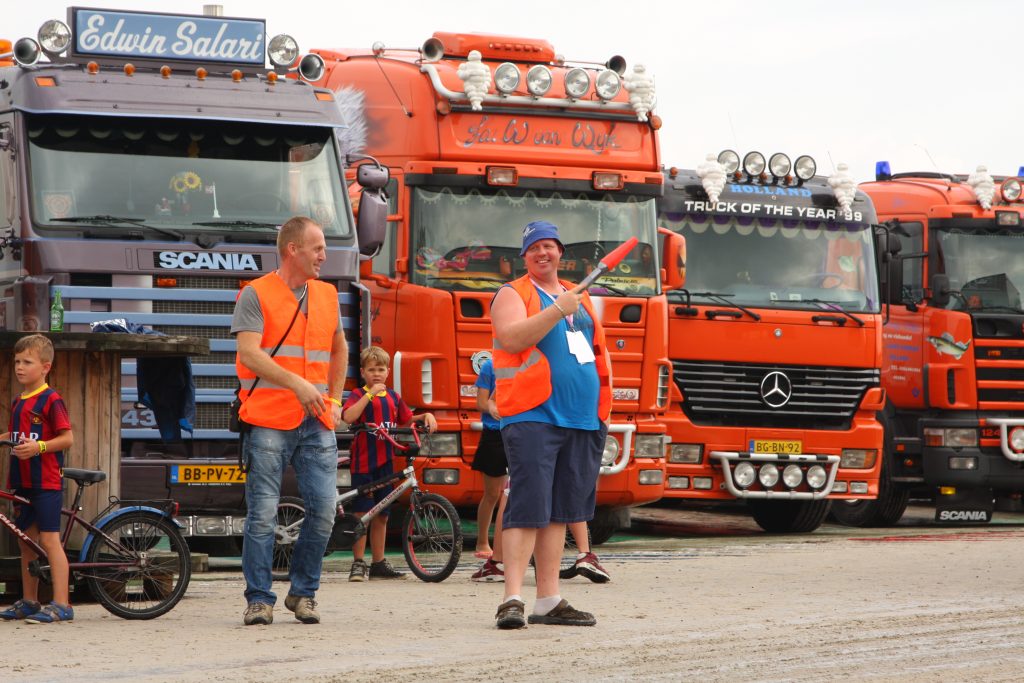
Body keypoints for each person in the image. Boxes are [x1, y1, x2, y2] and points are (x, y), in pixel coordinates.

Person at [489, 220, 612, 629]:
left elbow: (594, 352)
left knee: (560, 512)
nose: (543, 253)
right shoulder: (513, 293)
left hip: (581, 419)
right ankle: (512, 598)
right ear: (524, 256)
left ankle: (547, 599)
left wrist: (602, 410)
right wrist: (557, 309)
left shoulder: (581, 297)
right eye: (534, 248)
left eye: (550, 246)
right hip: (533, 415)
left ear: (561, 252)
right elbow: (510, 339)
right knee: (527, 507)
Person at [232, 216, 346, 626]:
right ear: (292, 249)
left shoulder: (327, 294)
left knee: (324, 511)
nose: (324, 255)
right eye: (317, 248)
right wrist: (298, 384)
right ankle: (259, 599)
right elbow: (249, 353)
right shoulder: (255, 293)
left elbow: (338, 348)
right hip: (267, 419)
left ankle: (302, 593)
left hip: (317, 420)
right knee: (262, 514)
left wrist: (334, 398)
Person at [343, 346, 437, 582]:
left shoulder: (394, 397)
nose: (376, 374)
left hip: (387, 461)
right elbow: (349, 417)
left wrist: (426, 415)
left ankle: (378, 562)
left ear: (387, 373)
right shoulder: (358, 394)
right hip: (364, 462)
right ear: (363, 372)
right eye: (371, 369)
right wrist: (369, 394)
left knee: (382, 514)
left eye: (381, 369)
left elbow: (405, 421)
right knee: (362, 513)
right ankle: (358, 563)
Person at [0, 334, 75, 623]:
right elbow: (14, 436)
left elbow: (67, 438)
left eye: (27, 362)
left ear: (45, 367)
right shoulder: (19, 401)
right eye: (17, 361)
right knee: (26, 542)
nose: (20, 367)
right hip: (22, 481)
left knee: (49, 540)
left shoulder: (51, 399)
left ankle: (62, 604)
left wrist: (39, 447)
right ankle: (29, 601)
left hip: (46, 482)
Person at [470, 357, 507, 562]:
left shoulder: (532, 360)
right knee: (493, 493)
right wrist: (491, 408)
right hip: (494, 433)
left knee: (516, 493)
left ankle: (508, 544)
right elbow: (481, 402)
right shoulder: (491, 365)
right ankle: (482, 540)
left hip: (520, 431)